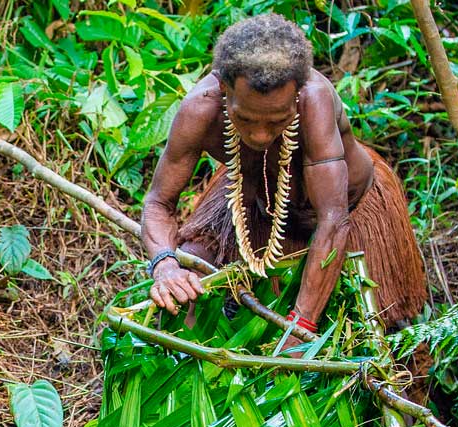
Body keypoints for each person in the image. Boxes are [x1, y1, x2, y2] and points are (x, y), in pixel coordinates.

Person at [140, 14, 429, 345]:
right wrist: (165, 266)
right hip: (251, 198)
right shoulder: (200, 109)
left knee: (373, 334)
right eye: (245, 119)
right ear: (223, 87)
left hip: (345, 212)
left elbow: (333, 221)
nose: (260, 136)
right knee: (188, 278)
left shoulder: (314, 100)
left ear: (297, 94)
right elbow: (159, 201)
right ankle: (187, 367)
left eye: (276, 121)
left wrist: (300, 326)